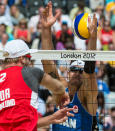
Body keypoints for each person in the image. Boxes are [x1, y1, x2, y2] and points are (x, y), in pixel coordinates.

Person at [41, 1, 98, 131]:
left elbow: (90, 70)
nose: (77, 72)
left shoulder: (87, 93)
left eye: (80, 70)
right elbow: (48, 63)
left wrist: (93, 38)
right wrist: (45, 29)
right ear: (67, 73)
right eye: (74, 69)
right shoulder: (60, 90)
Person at [0, 39, 74, 131]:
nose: (30, 62)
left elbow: (23, 124)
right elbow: (58, 87)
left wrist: (52, 118)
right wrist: (63, 94)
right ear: (22, 58)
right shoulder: (31, 72)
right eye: (29, 58)